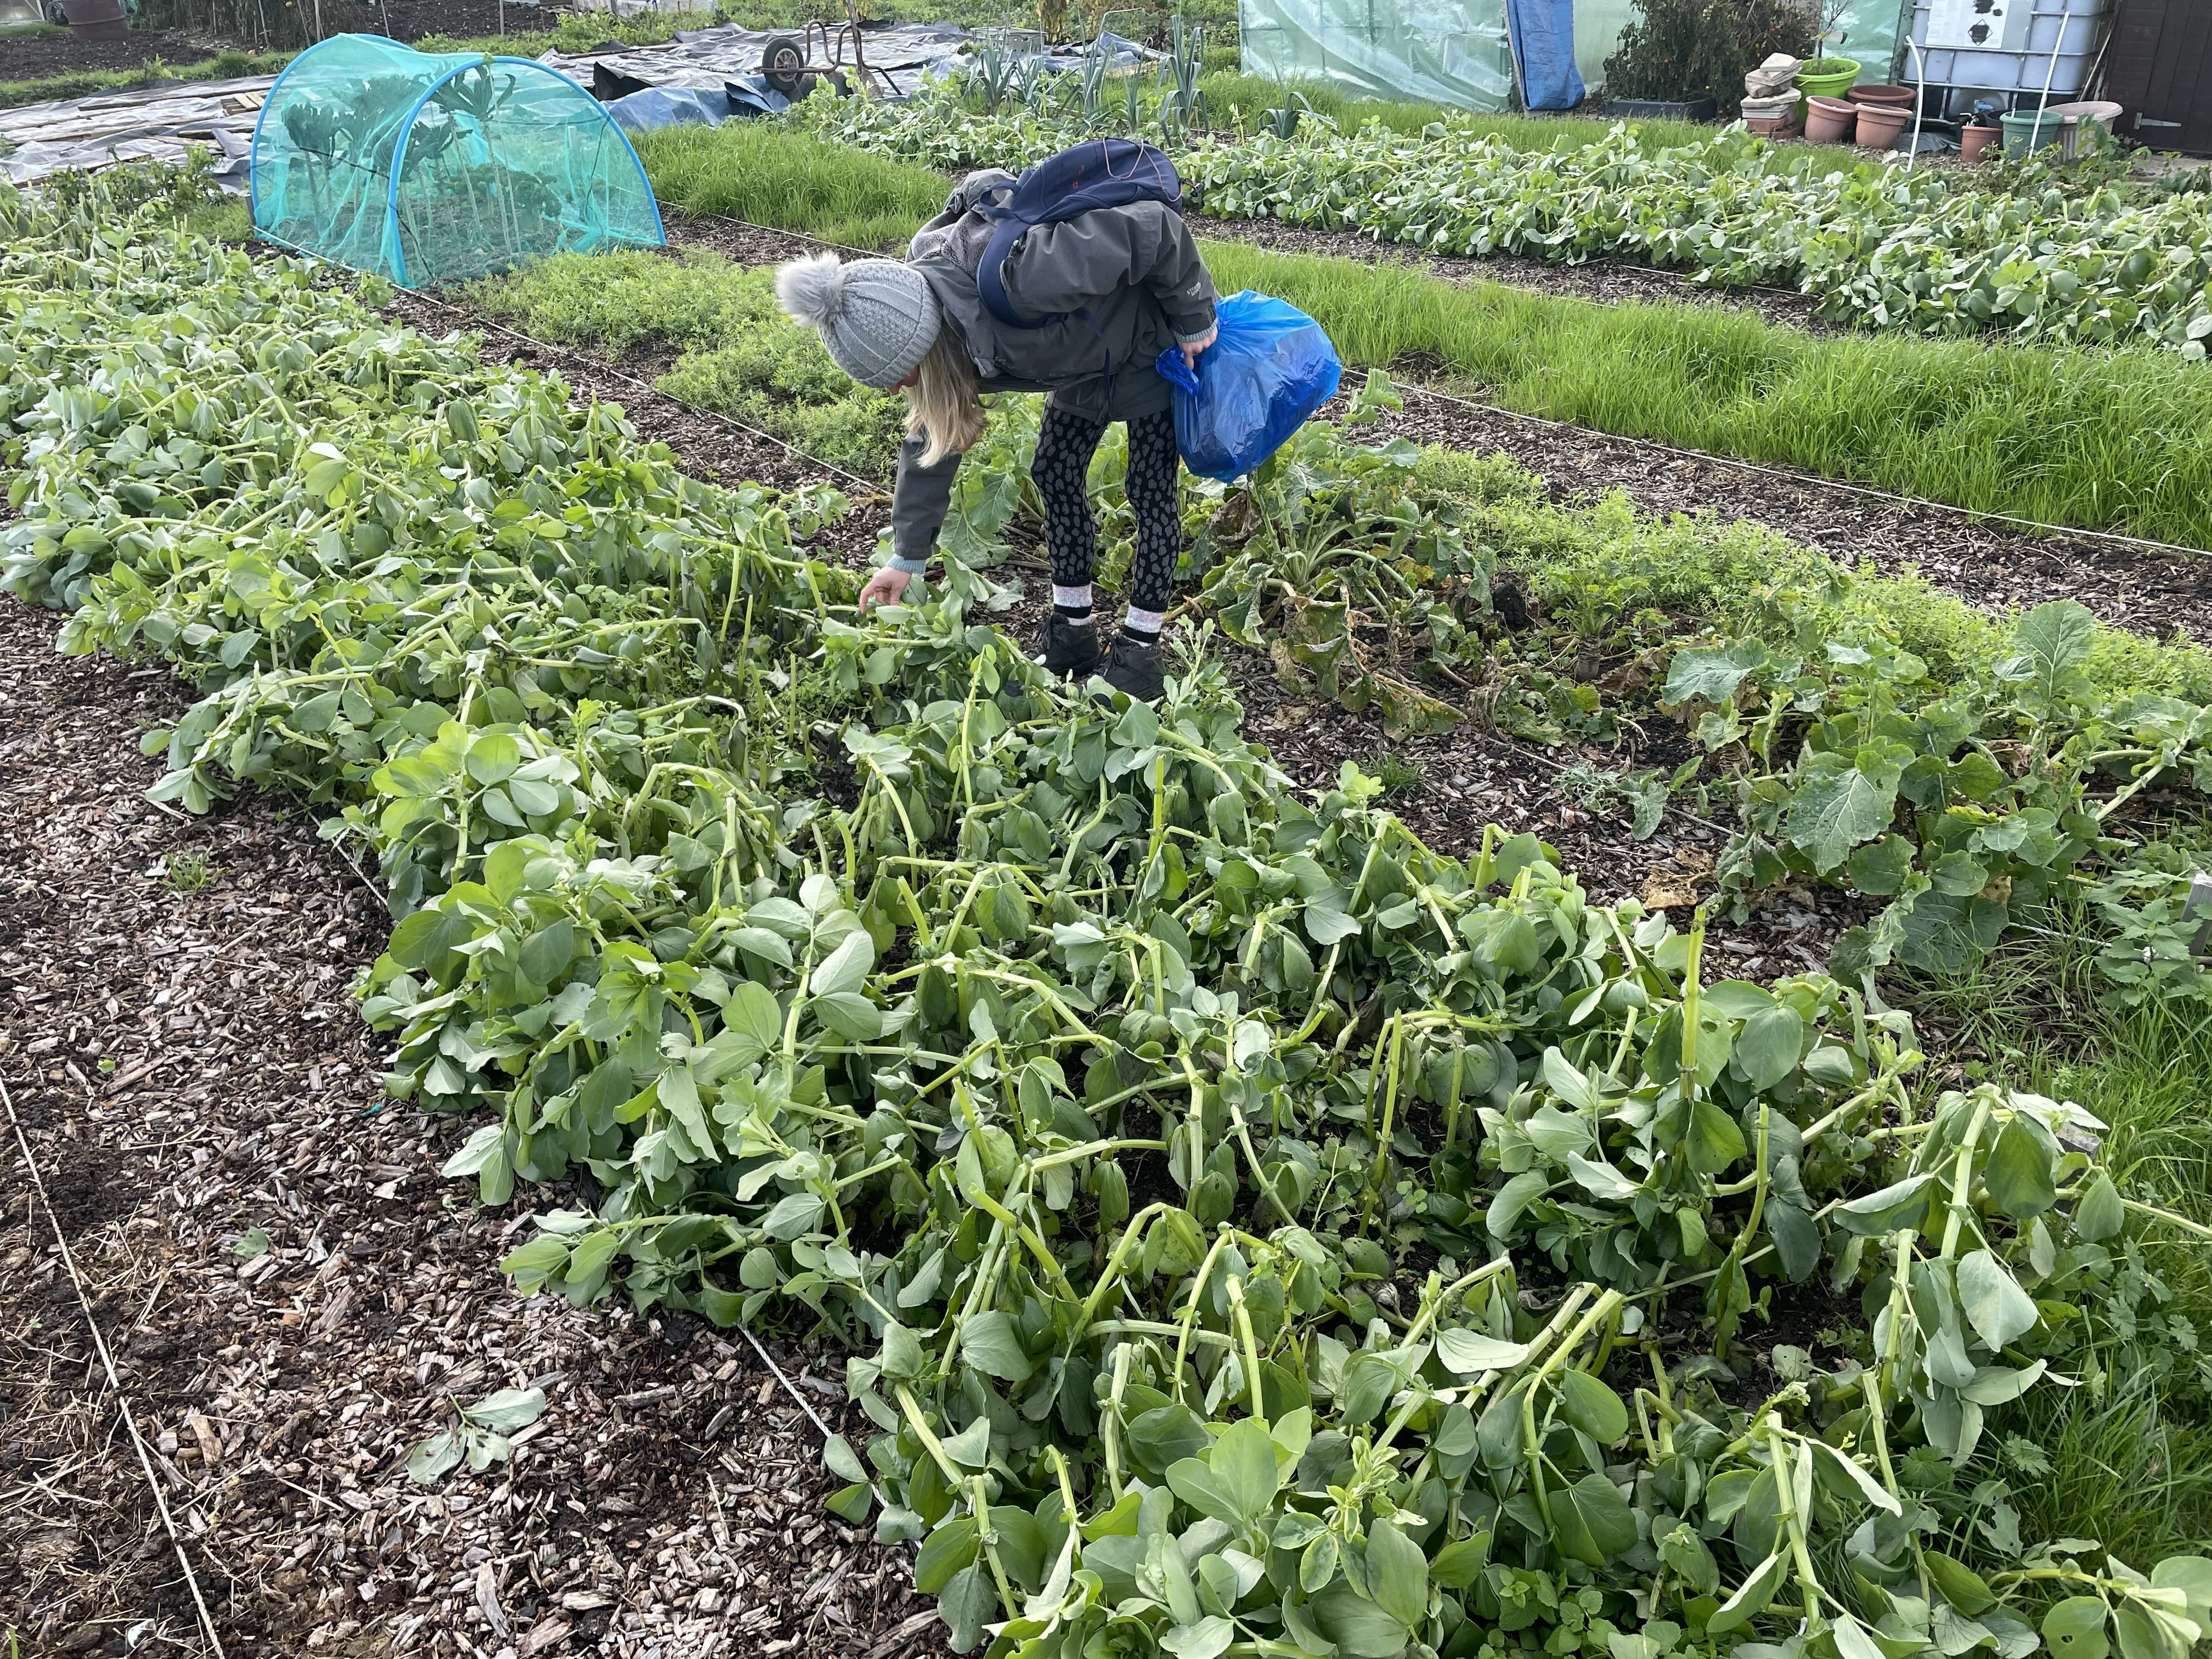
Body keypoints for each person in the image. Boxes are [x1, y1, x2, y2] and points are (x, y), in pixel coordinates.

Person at [775, 167, 1218, 701]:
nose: (897, 390)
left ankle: (1141, 651)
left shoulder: (1027, 277)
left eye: (901, 375)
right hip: (1081, 357)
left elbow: (1153, 229)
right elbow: (932, 434)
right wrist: (907, 557)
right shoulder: (937, 324)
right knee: (1054, 471)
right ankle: (1073, 630)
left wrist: (1195, 317)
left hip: (1149, 344)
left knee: (1148, 493)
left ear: (922, 341)